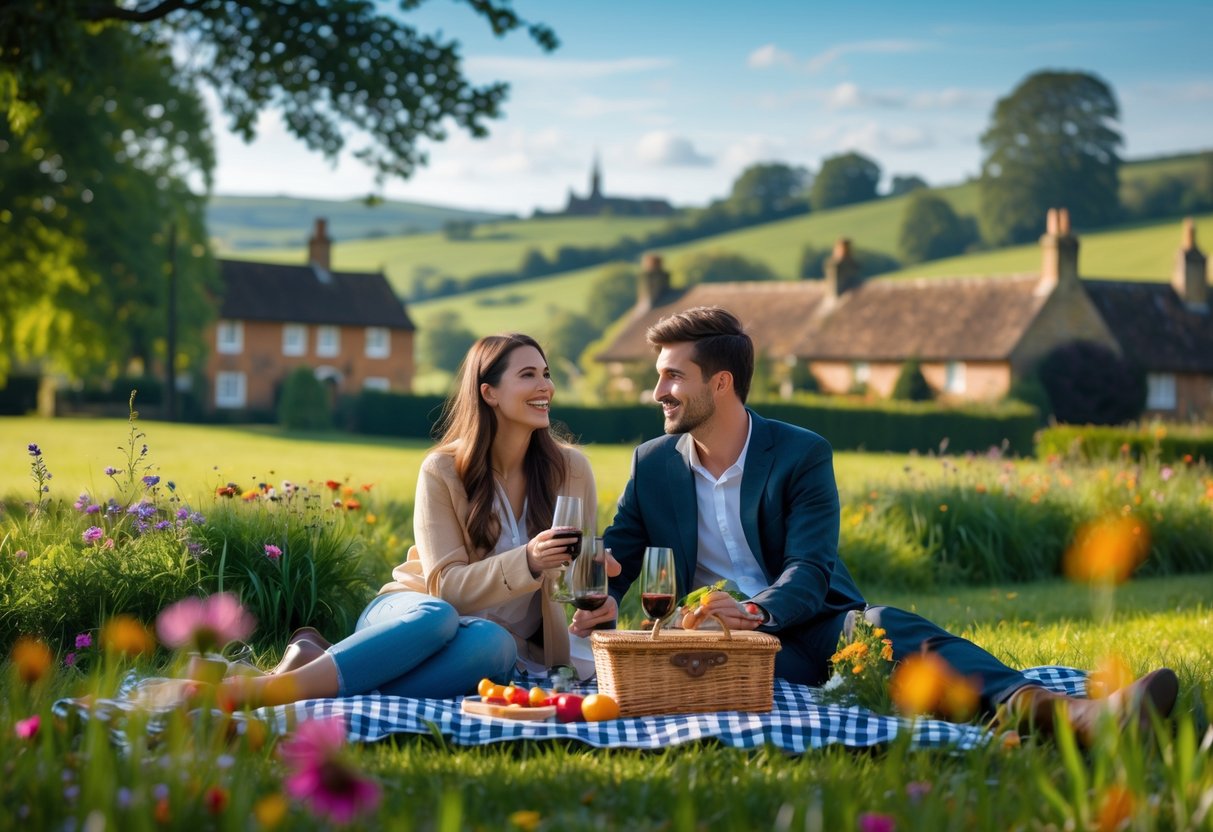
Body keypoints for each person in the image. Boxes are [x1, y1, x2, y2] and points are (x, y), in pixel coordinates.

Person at [571, 306, 1178, 742]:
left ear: (721, 382)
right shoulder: (653, 463)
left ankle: (1071, 716)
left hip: (812, 623)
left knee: (888, 633)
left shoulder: (801, 453)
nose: (658, 392)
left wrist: (754, 611)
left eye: (672, 375)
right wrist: (603, 594)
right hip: (712, 647)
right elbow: (621, 550)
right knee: (879, 679)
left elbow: (810, 570)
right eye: (660, 376)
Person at [205, 333, 601, 709]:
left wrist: (601, 594)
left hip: (484, 641)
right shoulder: (443, 469)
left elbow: (577, 576)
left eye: (546, 374)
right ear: (489, 392)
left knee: (497, 648)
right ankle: (270, 690)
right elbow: (445, 589)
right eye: (528, 375)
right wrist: (528, 560)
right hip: (411, 616)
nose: (545, 386)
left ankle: (320, 670)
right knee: (439, 616)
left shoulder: (572, 470)